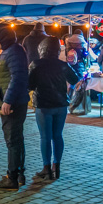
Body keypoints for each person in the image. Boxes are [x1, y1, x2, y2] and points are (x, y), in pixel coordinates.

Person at [28, 36, 80, 180]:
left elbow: (30, 85)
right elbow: (75, 79)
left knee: (45, 137)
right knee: (57, 136)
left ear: (42, 49)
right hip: (61, 104)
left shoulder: (36, 64)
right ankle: (56, 167)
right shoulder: (62, 65)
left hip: (44, 105)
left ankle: (46, 169)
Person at [0, 26, 30, 190]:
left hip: (12, 104)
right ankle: (18, 174)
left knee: (12, 141)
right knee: (16, 140)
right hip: (13, 102)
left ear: (2, 38)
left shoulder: (13, 51)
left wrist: (7, 100)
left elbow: (18, 77)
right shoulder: (11, 50)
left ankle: (12, 178)